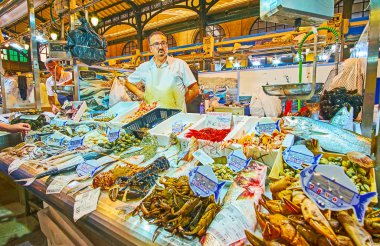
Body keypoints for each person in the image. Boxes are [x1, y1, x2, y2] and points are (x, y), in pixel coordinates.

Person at [125, 31, 200, 111]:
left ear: (167, 46)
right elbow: (127, 82)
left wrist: (179, 103)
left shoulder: (179, 64)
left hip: (176, 118)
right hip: (153, 116)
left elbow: (194, 90)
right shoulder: (144, 67)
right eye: (156, 44)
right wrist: (140, 94)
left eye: (163, 43)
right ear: (151, 48)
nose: (160, 47)